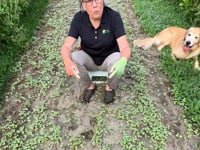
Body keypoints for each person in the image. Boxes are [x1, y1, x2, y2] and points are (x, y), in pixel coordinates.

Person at [61, 0, 131, 104]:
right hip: (89, 59)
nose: (95, 5)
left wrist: (123, 60)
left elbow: (125, 47)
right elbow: (67, 45)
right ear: (84, 5)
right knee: (73, 56)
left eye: (97, 0)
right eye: (89, 1)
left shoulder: (114, 17)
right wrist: (67, 62)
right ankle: (90, 85)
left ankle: (110, 87)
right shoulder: (79, 18)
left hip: (109, 60)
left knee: (118, 57)